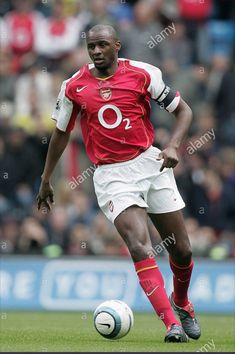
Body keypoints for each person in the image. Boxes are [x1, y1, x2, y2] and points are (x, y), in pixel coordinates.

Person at [37, 24, 201, 343]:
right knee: (139, 245)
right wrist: (45, 179)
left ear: (117, 45)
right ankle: (171, 324)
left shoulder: (142, 73)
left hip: (151, 164)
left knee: (182, 250)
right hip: (112, 175)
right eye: (91, 47)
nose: (96, 51)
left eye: (102, 45)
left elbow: (184, 111)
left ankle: (181, 302)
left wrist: (173, 146)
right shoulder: (73, 86)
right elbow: (60, 133)